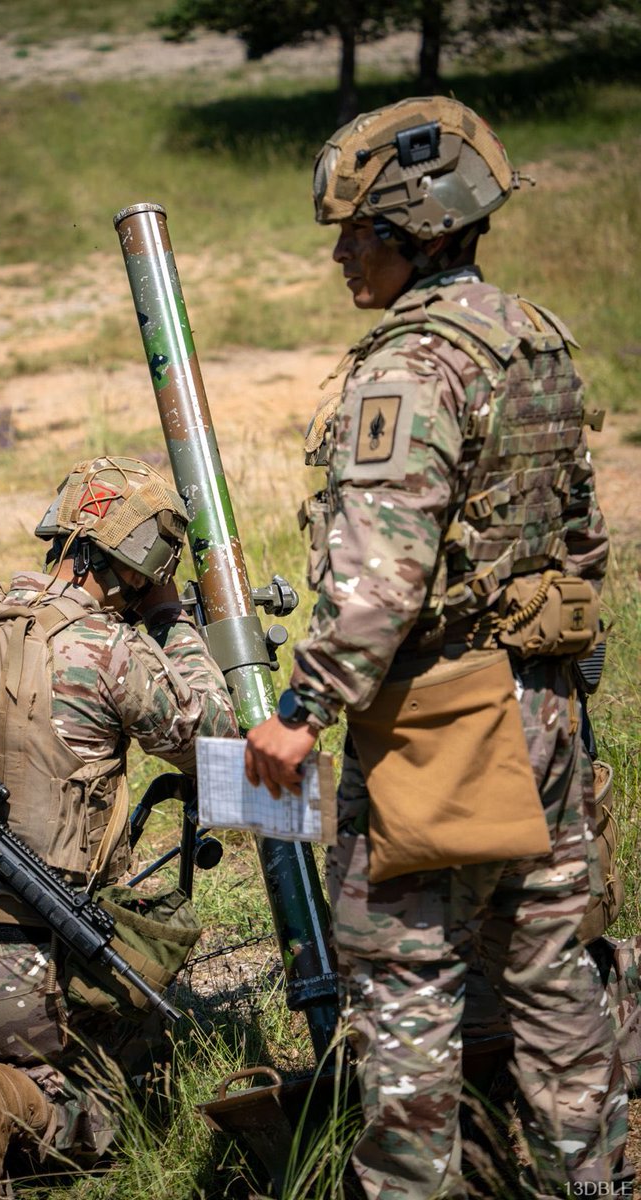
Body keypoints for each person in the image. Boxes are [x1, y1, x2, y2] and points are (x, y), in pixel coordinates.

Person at [245, 97, 631, 1198]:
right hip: (545, 709)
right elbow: (577, 536)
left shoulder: (407, 369)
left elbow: (378, 584)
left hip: (437, 729)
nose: (337, 256)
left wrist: (298, 712)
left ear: (416, 232)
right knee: (554, 984)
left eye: (354, 234)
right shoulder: (531, 337)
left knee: (405, 993)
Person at [0, 454, 237, 1199]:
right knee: (111, 1115)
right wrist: (172, 619)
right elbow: (215, 738)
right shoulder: (110, 650)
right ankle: (8, 1100)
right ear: (139, 563)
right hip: (32, 970)